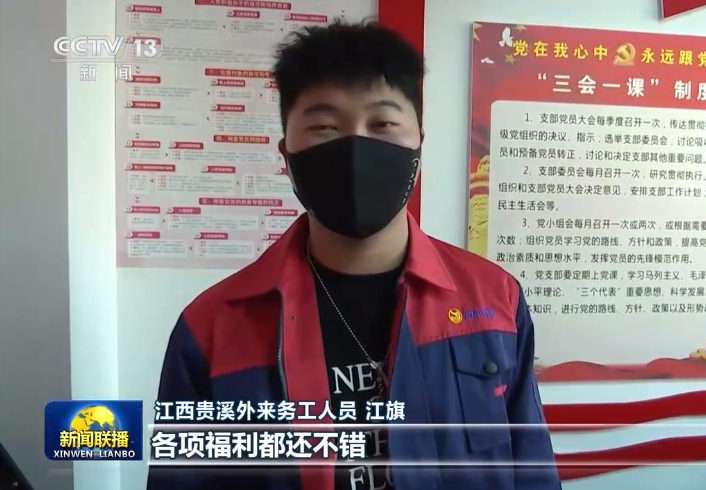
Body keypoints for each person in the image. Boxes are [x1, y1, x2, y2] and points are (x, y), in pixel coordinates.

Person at [147, 20, 560, 490]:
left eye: (383, 124)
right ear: (286, 153)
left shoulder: (495, 299)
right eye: (324, 127)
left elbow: (532, 469)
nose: (355, 146)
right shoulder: (210, 328)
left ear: (418, 143)